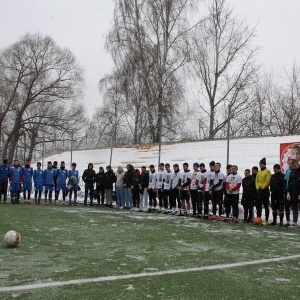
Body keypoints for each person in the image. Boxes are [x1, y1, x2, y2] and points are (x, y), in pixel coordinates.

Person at [255, 158, 271, 222]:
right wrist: (257, 188)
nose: (260, 165)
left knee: (266, 205)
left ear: (264, 164)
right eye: (259, 163)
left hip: (265, 191)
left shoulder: (268, 171)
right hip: (258, 190)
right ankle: (258, 218)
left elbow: (268, 181)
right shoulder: (258, 172)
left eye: (261, 164)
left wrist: (263, 187)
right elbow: (256, 180)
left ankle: (266, 219)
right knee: (258, 206)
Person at [286, 159, 300, 226]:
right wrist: (288, 192)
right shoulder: (292, 172)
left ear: (297, 164)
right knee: (294, 207)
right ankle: (295, 222)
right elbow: (289, 183)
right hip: (293, 193)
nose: (293, 166)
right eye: (292, 165)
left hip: (299, 193)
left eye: (294, 165)